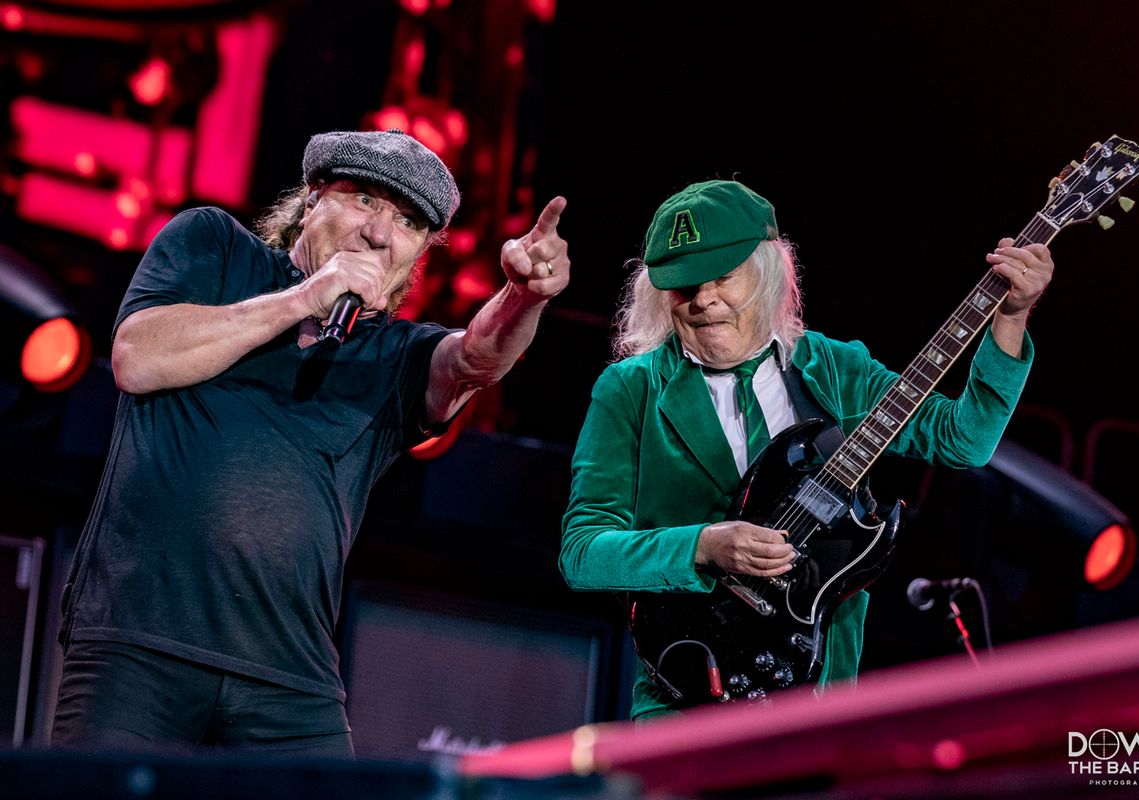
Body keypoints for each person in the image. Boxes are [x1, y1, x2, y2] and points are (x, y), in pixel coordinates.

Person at [52, 129, 570, 755]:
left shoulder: (397, 355)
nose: (378, 233)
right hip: (138, 647)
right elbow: (137, 359)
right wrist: (303, 299)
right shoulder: (214, 245)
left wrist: (522, 298)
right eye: (364, 200)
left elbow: (475, 358)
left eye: (408, 223)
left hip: (289, 682)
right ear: (313, 196)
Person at [559, 179, 1051, 720]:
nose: (704, 300)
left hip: (821, 704)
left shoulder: (835, 370)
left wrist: (1010, 317)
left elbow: (965, 439)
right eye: (683, 288)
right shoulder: (631, 389)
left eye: (723, 277)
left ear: (766, 269)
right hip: (685, 697)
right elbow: (583, 552)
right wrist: (702, 546)